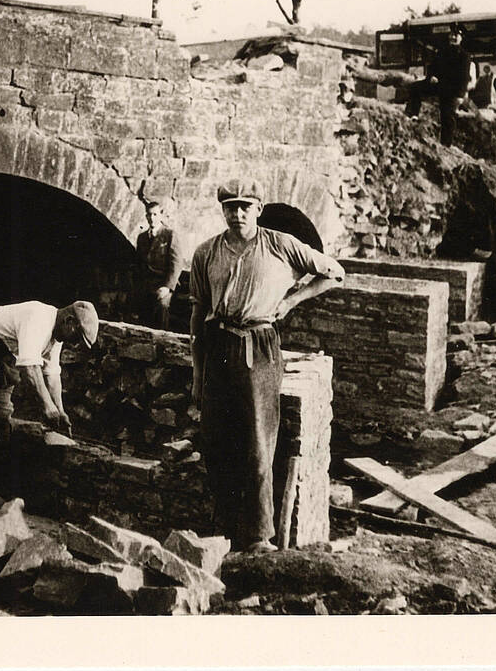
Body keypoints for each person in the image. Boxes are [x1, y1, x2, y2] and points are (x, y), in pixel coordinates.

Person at [190, 179, 345, 554]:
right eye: (230, 206)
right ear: (223, 210)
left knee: (259, 442)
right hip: (219, 345)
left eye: (245, 206)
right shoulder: (207, 252)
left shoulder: (280, 244)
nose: (237, 213)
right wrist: (198, 374)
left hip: (258, 346)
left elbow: (335, 273)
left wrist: (293, 300)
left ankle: (259, 536)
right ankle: (222, 528)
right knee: (216, 441)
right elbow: (197, 313)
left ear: (258, 209)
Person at [0, 300, 99, 504]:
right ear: (69, 321)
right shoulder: (39, 318)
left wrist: (60, 410)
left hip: (0, 358)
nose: (74, 344)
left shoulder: (56, 336)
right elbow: (30, 368)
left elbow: (51, 374)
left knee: (2, 419)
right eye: (77, 338)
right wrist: (47, 408)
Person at [404, 26, 473, 146]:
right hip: (438, 85)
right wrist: (431, 76)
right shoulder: (442, 51)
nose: (452, 37)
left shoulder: (465, 56)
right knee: (415, 87)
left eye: (456, 35)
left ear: (461, 38)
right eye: (451, 35)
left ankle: (446, 145)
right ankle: (413, 114)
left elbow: (464, 77)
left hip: (452, 90)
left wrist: (460, 95)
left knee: (447, 117)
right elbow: (432, 67)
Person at [133, 197, 182, 330]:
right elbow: (138, 264)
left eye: (155, 214)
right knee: (139, 314)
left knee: (162, 307)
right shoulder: (142, 237)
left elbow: (176, 264)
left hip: (163, 285)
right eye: (149, 215)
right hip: (146, 285)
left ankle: (161, 345)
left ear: (161, 215)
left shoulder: (170, 235)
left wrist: (167, 287)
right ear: (146, 216)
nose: (152, 218)